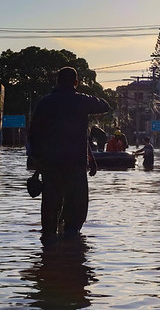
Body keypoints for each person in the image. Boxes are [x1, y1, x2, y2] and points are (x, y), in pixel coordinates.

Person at [28, 67, 112, 246]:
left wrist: (35, 159)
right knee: (76, 212)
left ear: (57, 82)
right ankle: (72, 252)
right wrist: (82, 97)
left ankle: (49, 253)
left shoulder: (45, 102)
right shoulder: (81, 101)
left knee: (50, 208)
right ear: (76, 82)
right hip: (75, 165)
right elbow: (105, 105)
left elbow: (33, 133)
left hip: (51, 164)